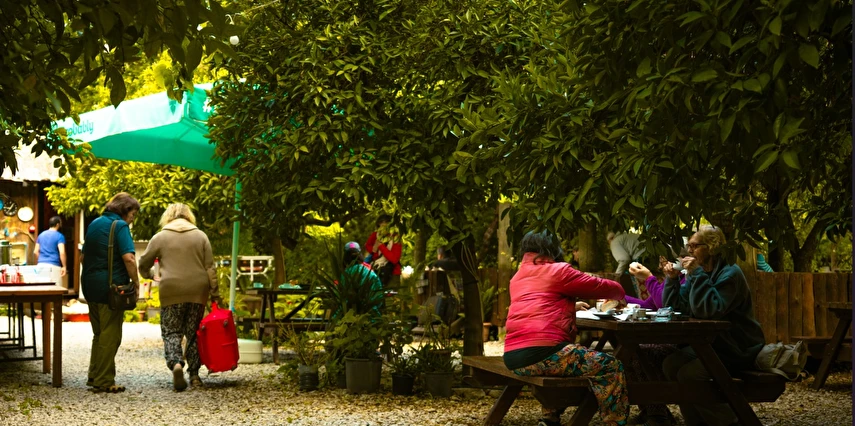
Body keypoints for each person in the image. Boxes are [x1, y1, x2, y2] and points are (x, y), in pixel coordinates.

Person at [504, 231, 629, 426]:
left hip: (513, 357)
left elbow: (537, 304)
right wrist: (619, 292)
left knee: (562, 361)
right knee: (610, 367)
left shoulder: (518, 276)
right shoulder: (558, 271)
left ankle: (549, 418)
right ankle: (614, 423)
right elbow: (604, 287)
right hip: (544, 352)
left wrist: (570, 305)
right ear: (553, 248)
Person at [661, 225, 765, 426]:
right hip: (713, 345)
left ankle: (730, 422)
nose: (689, 251)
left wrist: (696, 274)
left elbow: (709, 311)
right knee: (670, 364)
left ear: (712, 247)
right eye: (688, 246)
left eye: (694, 246)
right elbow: (677, 309)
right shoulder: (698, 273)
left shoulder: (730, 274)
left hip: (736, 347)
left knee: (689, 375)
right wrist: (672, 281)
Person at [138, 203, 221, 391]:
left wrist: (151, 275)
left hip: (171, 290)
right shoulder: (201, 236)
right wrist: (215, 294)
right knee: (194, 333)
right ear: (189, 216)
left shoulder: (160, 237)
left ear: (168, 217)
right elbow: (210, 268)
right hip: (197, 290)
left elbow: (143, 264)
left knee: (171, 332)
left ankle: (176, 364)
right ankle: (195, 375)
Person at [81, 192, 140, 393]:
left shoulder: (94, 223)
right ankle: (104, 380)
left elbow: (83, 257)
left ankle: (94, 375)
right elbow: (129, 258)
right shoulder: (120, 226)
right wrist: (136, 282)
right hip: (110, 288)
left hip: (90, 286)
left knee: (99, 333)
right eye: (132, 214)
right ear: (125, 210)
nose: (132, 219)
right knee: (111, 335)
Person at [364, 215, 402, 288]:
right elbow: (368, 245)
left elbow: (394, 259)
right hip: (376, 270)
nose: (382, 228)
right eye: (380, 226)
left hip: (392, 274)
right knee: (375, 294)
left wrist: (381, 246)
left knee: (390, 295)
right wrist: (374, 250)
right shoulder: (375, 235)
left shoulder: (396, 237)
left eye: (386, 225)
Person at [34, 216, 67, 288]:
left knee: (42, 289)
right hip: (54, 265)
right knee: (56, 289)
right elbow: (62, 252)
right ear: (58, 224)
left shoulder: (41, 235)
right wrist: (64, 266)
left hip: (41, 265)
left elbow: (36, 251)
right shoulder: (59, 236)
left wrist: (41, 260)